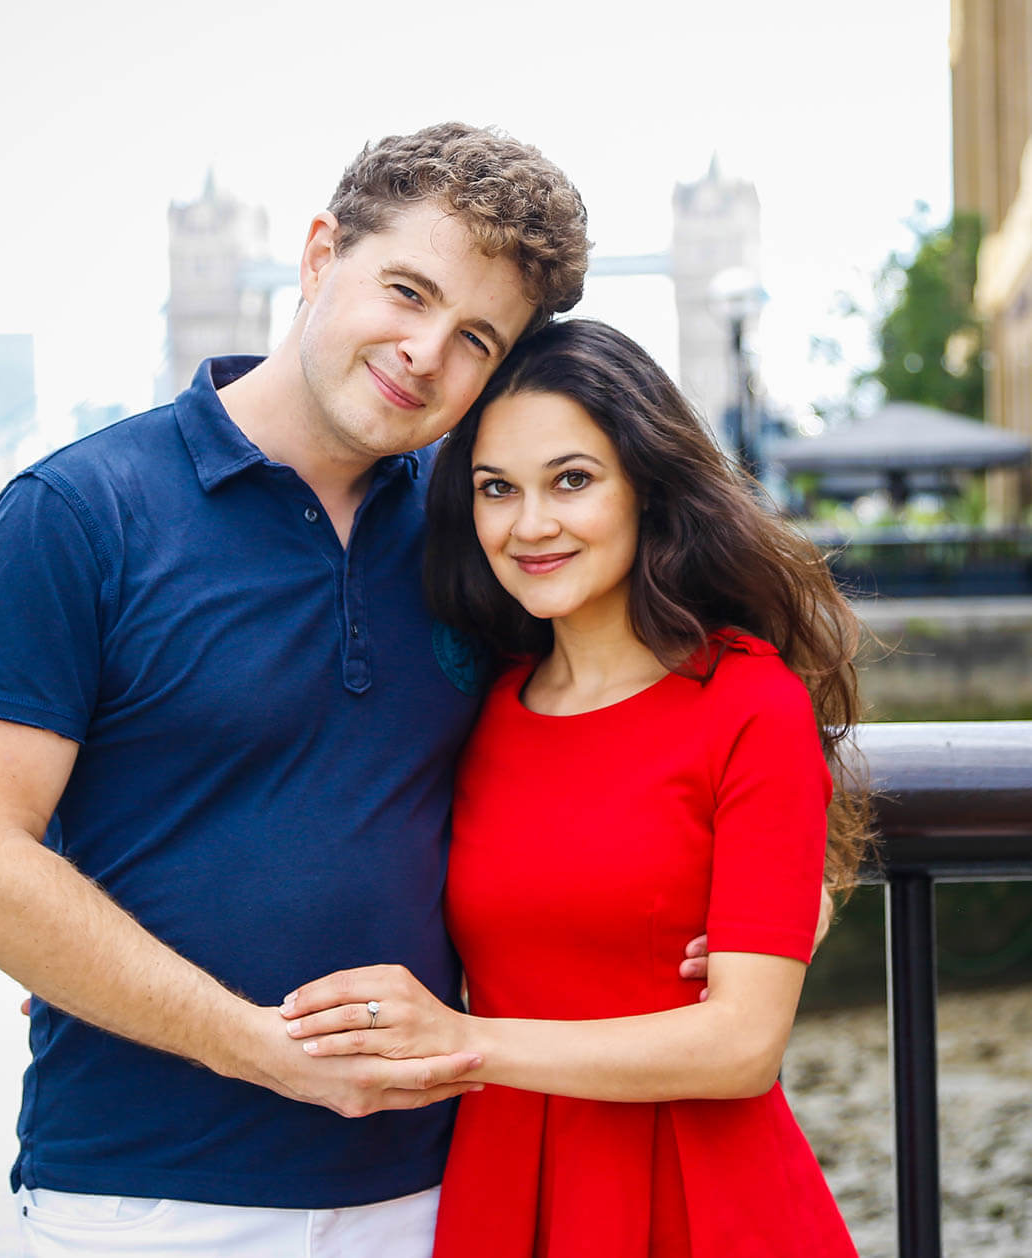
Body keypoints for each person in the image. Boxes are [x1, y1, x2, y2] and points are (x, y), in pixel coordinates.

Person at [0, 123, 669, 1256]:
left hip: (440, 1186)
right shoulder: (77, 513)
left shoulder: (485, 530)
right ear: (320, 257)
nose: (422, 351)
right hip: (142, 1198)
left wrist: (751, 900)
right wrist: (249, 1043)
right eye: (404, 292)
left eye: (473, 339)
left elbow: (645, 698)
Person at [280, 318, 868, 1256]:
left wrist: (459, 1042)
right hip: (507, 1189)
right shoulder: (478, 702)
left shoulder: (748, 700)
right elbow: (314, 813)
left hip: (703, 1194)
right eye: (495, 489)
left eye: (572, 480)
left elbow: (741, 1048)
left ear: (647, 487)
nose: (531, 525)